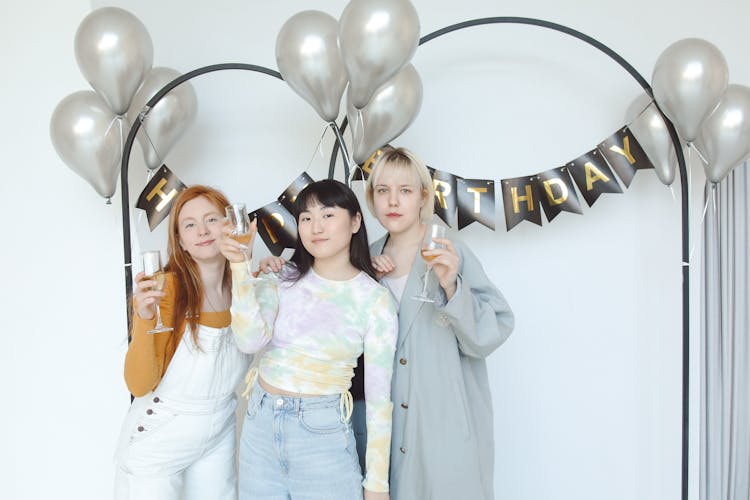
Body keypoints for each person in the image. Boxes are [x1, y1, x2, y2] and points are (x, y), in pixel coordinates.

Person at [222, 179, 398, 500]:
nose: (316, 227)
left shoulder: (374, 300)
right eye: (305, 218)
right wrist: (239, 266)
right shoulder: (283, 277)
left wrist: (376, 483)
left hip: (322, 437)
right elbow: (248, 341)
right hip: (259, 428)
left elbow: (378, 400)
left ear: (355, 221)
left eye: (328, 215)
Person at [364, 147, 515, 500]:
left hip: (445, 424)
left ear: (423, 197)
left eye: (405, 190)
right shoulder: (367, 257)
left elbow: (494, 330)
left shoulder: (449, 249)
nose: (393, 201)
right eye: (383, 191)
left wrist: (451, 285)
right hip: (386, 432)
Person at [114, 185, 250, 500]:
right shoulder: (166, 289)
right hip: (160, 439)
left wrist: (273, 274)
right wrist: (144, 318)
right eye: (189, 225)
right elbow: (138, 384)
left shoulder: (244, 286)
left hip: (218, 434)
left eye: (212, 220)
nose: (202, 231)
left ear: (230, 224)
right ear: (181, 241)